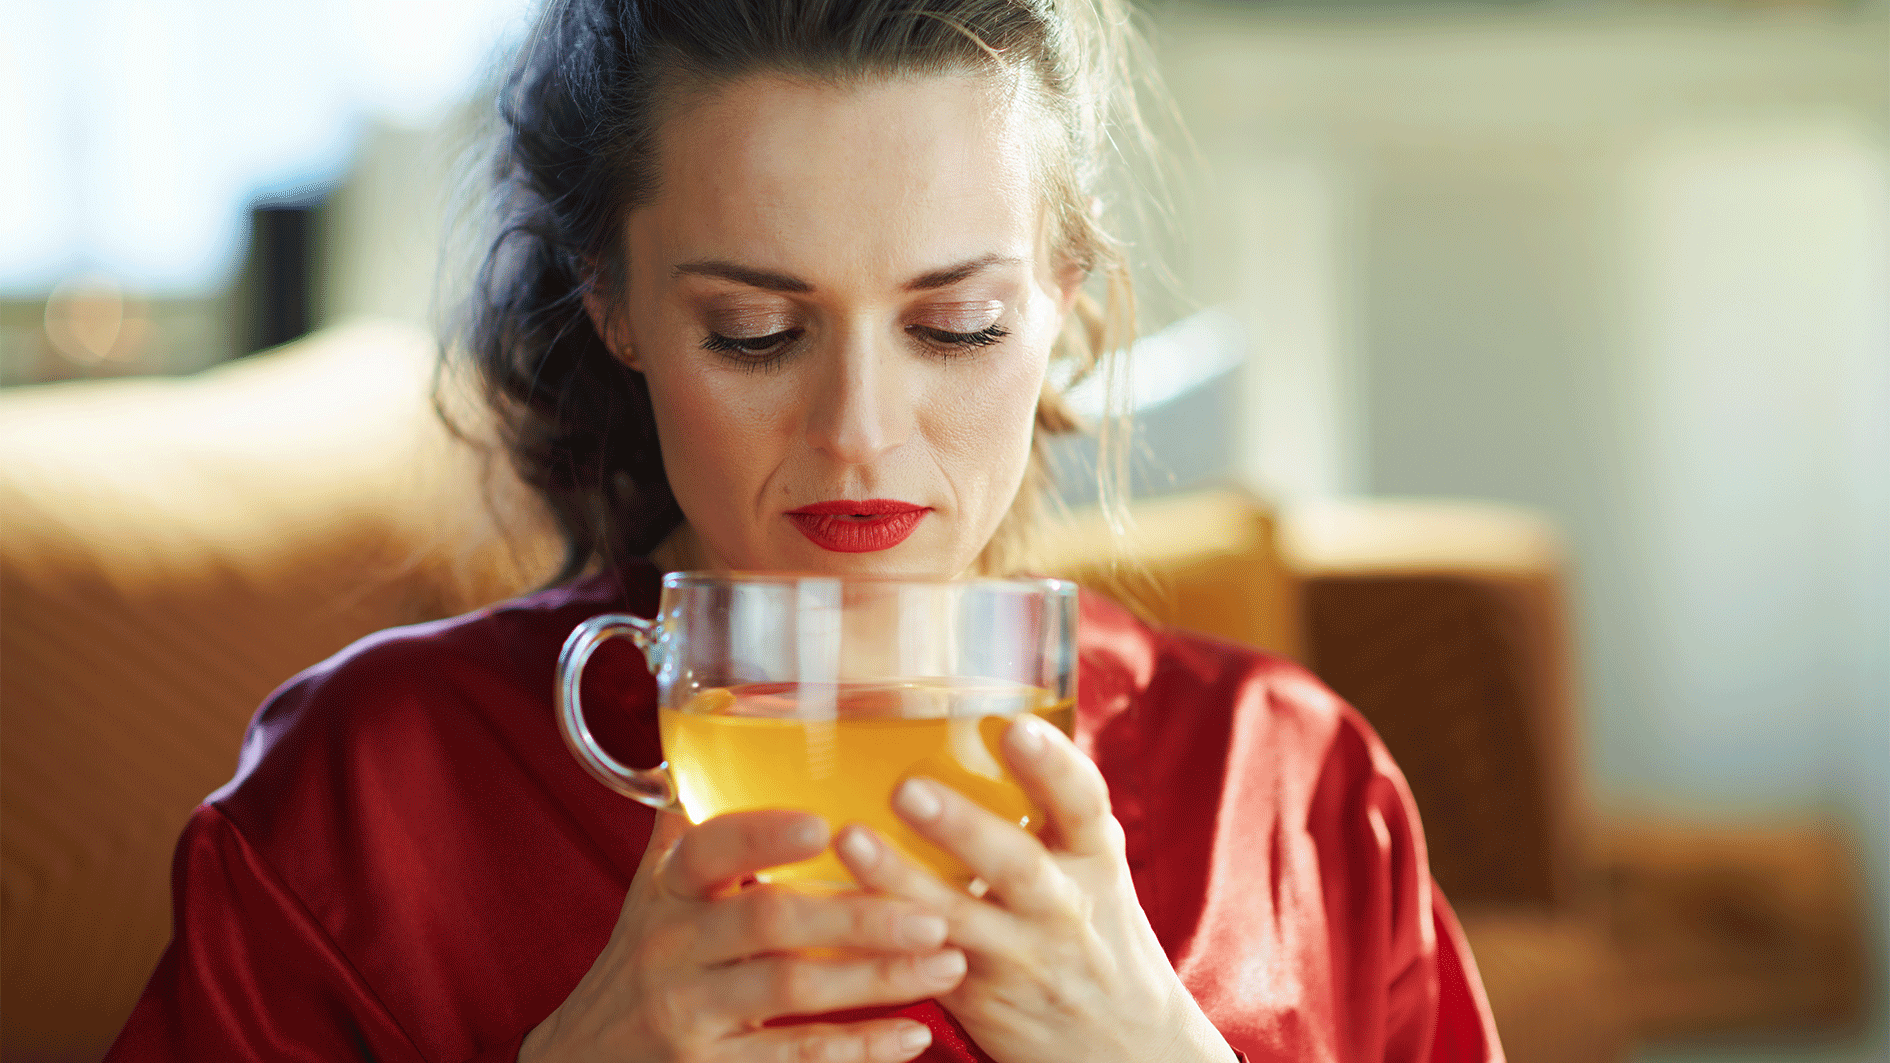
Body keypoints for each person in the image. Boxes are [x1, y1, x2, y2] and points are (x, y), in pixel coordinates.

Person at [107, 1, 1504, 1061]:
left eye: (953, 326)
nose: (858, 431)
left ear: (1064, 298)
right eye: (756, 332)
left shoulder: (1287, 785)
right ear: (614, 303)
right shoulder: (365, 795)